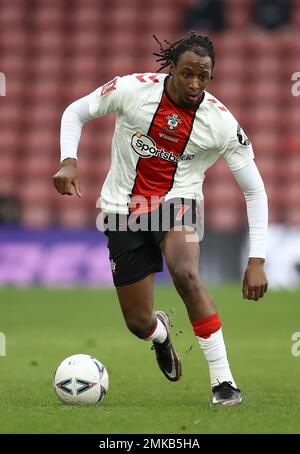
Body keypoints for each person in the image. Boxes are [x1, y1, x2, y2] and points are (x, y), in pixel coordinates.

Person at [53, 32, 268, 406]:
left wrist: (257, 259)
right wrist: (69, 160)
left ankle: (224, 382)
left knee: (186, 273)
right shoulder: (132, 90)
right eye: (188, 74)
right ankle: (161, 335)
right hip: (122, 210)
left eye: (204, 76)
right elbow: (76, 111)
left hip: (177, 203)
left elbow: (255, 190)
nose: (195, 84)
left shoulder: (219, 122)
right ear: (172, 69)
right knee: (138, 322)